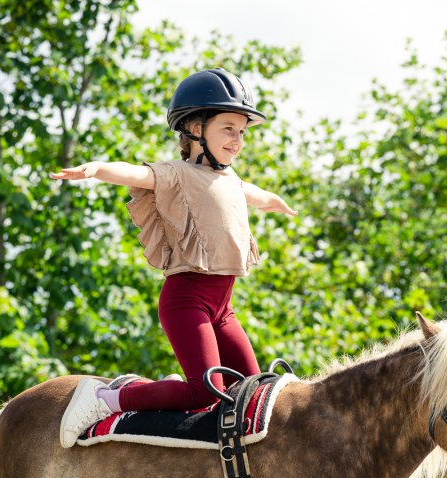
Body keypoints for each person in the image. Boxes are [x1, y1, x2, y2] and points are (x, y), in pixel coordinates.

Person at [52, 68, 297, 448]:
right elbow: (136, 174)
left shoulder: (232, 181)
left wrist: (275, 202)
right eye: (229, 129)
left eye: (242, 132)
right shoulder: (177, 174)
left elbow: (256, 195)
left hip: (222, 308)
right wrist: (98, 169)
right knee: (204, 392)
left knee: (254, 388)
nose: (238, 140)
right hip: (187, 301)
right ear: (196, 129)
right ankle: (105, 399)